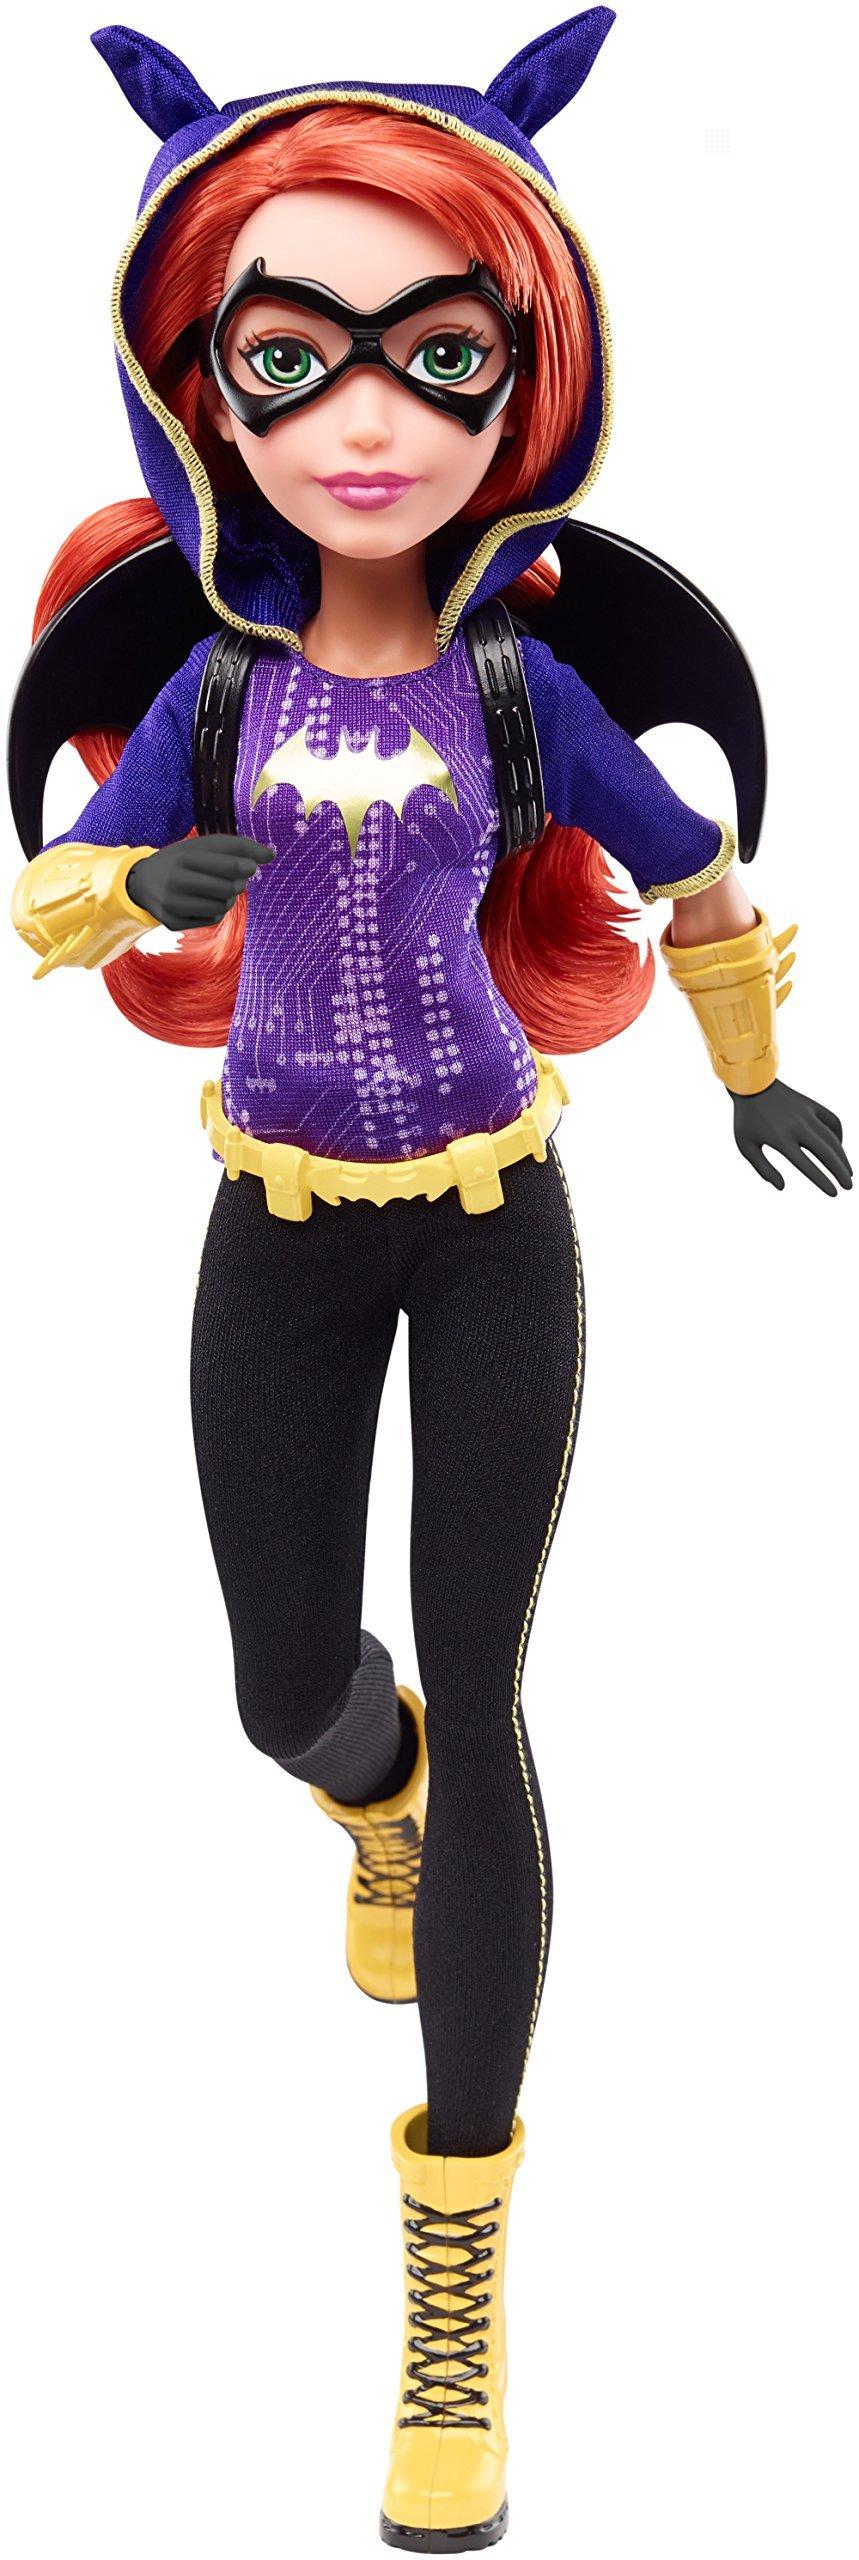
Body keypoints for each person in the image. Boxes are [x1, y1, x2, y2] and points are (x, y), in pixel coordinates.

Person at [10, 16, 850, 2549]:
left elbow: (697, 875)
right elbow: (52, 901)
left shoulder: (525, 682)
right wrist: (123, 885)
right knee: (287, 1682)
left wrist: (748, 1073)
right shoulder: (207, 683)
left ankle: (453, 2285)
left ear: (529, 376)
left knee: (484, 1694)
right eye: (293, 361)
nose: (369, 421)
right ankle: (354, 1794)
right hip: (271, 1221)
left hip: (497, 1227)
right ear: (201, 390)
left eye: (440, 356)